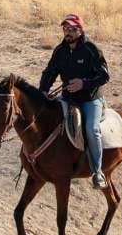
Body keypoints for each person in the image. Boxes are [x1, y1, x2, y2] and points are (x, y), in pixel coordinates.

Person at [38, 14, 111, 190]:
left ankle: (97, 172)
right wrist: (43, 91)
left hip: (90, 99)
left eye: (72, 29)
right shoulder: (59, 50)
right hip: (67, 96)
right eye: (65, 29)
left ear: (80, 30)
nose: (68, 32)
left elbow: (105, 75)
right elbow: (49, 72)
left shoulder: (91, 49)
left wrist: (83, 83)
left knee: (91, 130)